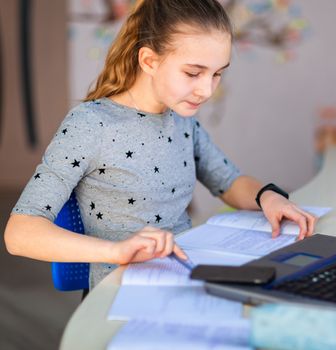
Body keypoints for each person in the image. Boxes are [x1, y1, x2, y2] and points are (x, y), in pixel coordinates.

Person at [3, 0, 316, 290]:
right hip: (121, 294)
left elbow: (228, 181)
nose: (206, 90)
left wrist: (268, 197)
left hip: (183, 280)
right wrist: (117, 251)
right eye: (193, 73)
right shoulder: (90, 125)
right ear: (149, 60)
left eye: (217, 74)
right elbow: (19, 233)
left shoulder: (182, 120)